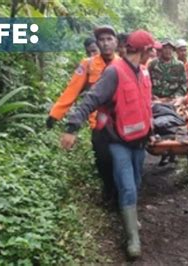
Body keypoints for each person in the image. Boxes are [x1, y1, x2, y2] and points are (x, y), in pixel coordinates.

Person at [60, 29, 157, 259]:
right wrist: (72, 127)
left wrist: (151, 130)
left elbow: (145, 105)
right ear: (142, 50)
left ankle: (131, 216)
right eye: (151, 50)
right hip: (118, 140)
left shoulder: (144, 72)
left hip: (140, 140)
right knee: (127, 185)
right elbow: (90, 99)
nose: (153, 54)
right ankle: (133, 237)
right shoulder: (114, 72)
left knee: (136, 180)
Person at [46, 25, 119, 204]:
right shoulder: (88, 65)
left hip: (120, 123)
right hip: (98, 124)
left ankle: (120, 195)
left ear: (116, 42)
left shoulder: (123, 64)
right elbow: (72, 90)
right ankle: (108, 188)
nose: (106, 43)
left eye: (109, 39)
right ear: (97, 43)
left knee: (120, 160)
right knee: (102, 160)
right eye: (102, 40)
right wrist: (55, 114)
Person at [148, 38, 188, 166]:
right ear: (161, 49)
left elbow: (184, 84)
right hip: (155, 100)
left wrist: (177, 98)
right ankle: (161, 151)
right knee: (156, 123)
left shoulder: (179, 66)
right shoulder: (153, 64)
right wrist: (152, 96)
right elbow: (146, 82)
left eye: (170, 48)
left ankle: (173, 152)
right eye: (165, 48)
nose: (168, 50)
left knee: (174, 123)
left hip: (173, 101)